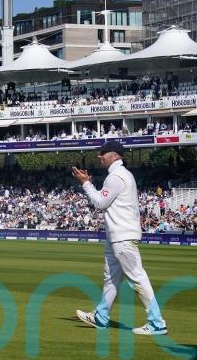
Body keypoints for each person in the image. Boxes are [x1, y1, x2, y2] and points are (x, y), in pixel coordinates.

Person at [72, 140, 168, 335]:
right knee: (111, 279)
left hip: (122, 235)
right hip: (116, 235)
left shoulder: (116, 176)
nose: (100, 156)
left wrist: (86, 184)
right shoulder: (120, 175)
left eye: (104, 153)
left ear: (115, 156)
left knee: (137, 278)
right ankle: (101, 316)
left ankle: (157, 323)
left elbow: (100, 203)